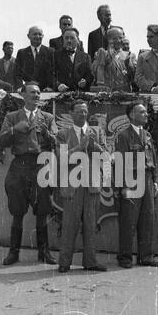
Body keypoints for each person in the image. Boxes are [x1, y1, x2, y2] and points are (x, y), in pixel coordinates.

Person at [0, 81, 57, 266]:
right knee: (17, 211)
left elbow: (57, 141)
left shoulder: (47, 117)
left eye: (39, 92)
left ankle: (44, 252)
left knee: (42, 211)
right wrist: (15, 129)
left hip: (40, 166)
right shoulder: (12, 116)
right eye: (32, 92)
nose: (36, 95)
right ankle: (13, 253)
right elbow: (1, 141)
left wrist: (49, 135)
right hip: (20, 166)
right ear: (23, 95)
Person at [56, 99, 107, 273]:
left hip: (92, 185)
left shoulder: (96, 132)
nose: (83, 114)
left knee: (91, 226)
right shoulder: (63, 134)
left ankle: (90, 262)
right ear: (71, 114)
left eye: (85, 111)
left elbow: (106, 156)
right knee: (69, 225)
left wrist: (94, 145)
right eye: (78, 111)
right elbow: (62, 159)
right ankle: (64, 263)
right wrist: (80, 146)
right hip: (73, 186)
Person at [115, 102, 158, 268]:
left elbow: (153, 158)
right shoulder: (123, 136)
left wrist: (155, 180)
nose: (146, 115)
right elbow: (119, 163)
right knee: (128, 220)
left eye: (146, 112)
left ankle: (146, 257)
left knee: (147, 219)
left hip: (147, 178)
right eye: (142, 112)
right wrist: (120, 187)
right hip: (131, 179)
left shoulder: (147, 135)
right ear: (132, 115)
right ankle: (125, 258)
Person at [92, 27, 136, 92]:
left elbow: (134, 76)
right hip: (108, 93)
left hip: (125, 92)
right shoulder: (103, 54)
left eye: (120, 38)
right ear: (108, 39)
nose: (118, 41)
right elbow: (95, 73)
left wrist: (130, 65)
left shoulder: (130, 55)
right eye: (114, 38)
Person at [15, 26, 54, 91]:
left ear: (43, 36)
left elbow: (53, 72)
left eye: (40, 34)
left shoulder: (50, 52)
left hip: (46, 90)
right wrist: (20, 87)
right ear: (28, 36)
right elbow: (17, 73)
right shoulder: (22, 53)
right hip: (28, 90)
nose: (37, 36)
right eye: (35, 34)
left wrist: (51, 87)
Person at [53, 28, 93, 92]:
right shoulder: (55, 55)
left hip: (80, 94)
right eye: (66, 38)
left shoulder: (86, 57)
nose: (69, 40)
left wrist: (85, 82)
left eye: (72, 38)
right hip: (61, 94)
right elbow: (51, 75)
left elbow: (90, 75)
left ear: (77, 40)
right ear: (63, 40)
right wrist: (58, 85)